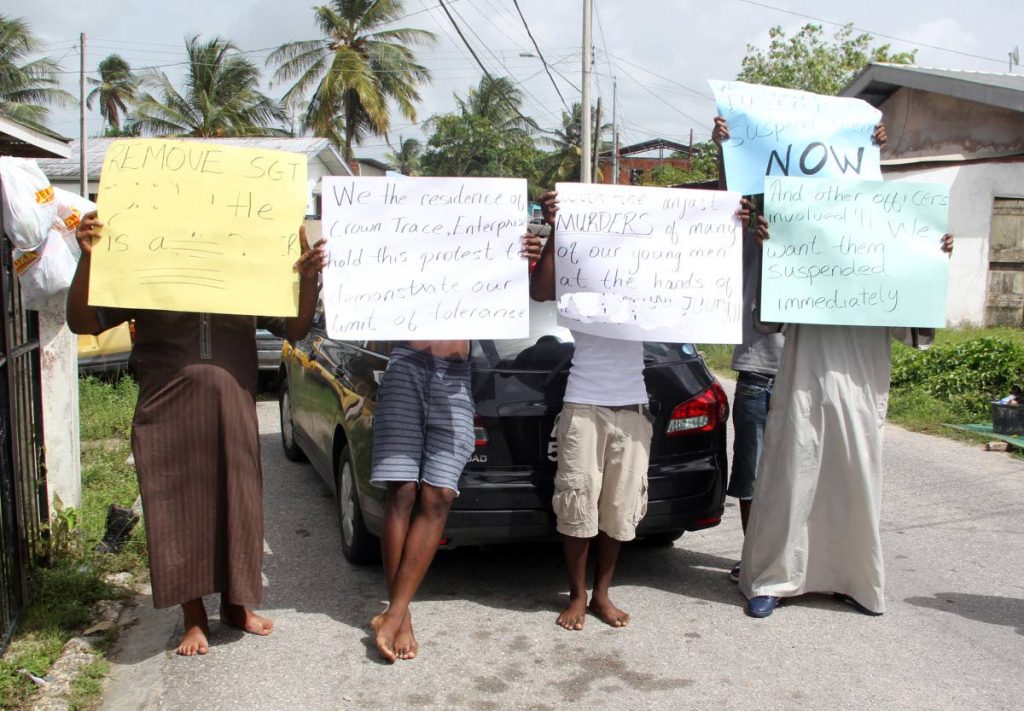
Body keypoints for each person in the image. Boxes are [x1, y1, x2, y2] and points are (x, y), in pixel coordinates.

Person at [66, 210, 327, 656]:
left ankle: (236, 606)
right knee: (176, 507)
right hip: (167, 407)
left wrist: (307, 278)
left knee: (238, 502)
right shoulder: (147, 270)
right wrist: (87, 258)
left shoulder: (244, 275)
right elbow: (83, 322)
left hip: (233, 405)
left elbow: (296, 329)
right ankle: (193, 617)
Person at [735, 209, 955, 616]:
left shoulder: (885, 249)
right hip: (804, 384)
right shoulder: (805, 238)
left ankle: (852, 580)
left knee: (853, 485)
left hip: (862, 391)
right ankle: (772, 579)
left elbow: (916, 331)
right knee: (790, 482)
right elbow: (767, 322)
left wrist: (931, 264)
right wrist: (774, 256)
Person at [370, 232, 543, 663]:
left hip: (455, 375)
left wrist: (521, 264)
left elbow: (504, 299)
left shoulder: (475, 249)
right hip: (407, 365)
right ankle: (400, 616)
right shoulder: (406, 246)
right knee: (402, 492)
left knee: (440, 494)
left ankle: (391, 613)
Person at [712, 115, 785, 584]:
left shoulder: (831, 242)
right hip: (759, 371)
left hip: (808, 372)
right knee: (752, 476)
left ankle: (797, 560)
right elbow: (721, 211)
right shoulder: (747, 238)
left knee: (806, 477)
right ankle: (754, 558)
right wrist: (724, 149)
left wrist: (874, 148)